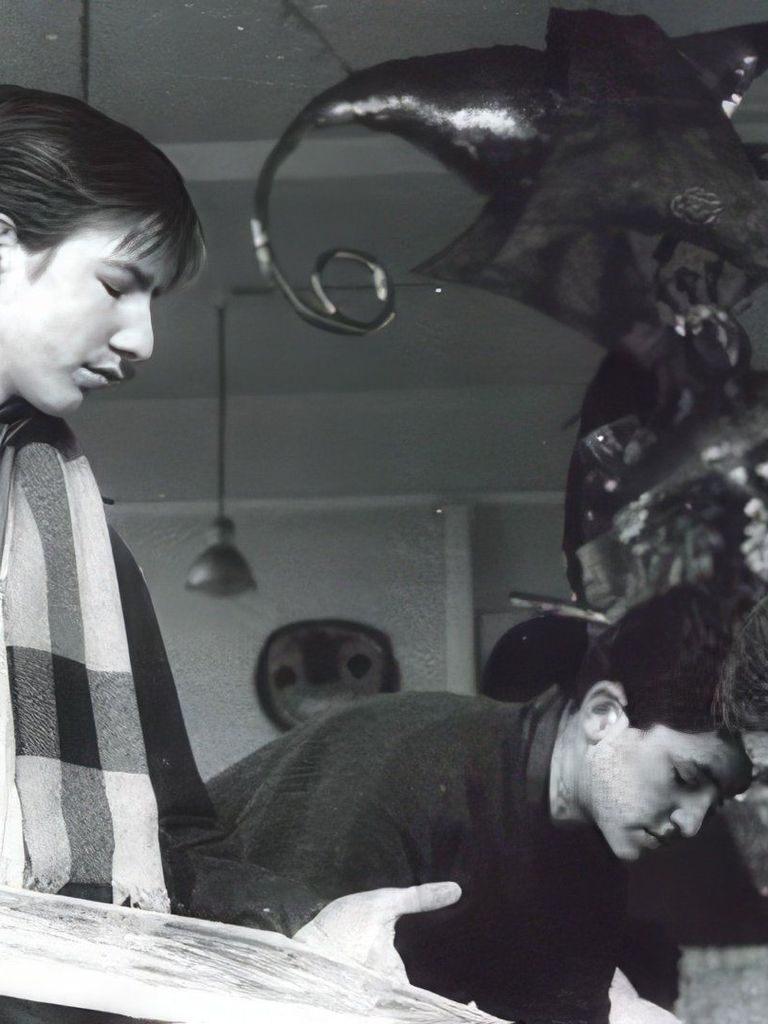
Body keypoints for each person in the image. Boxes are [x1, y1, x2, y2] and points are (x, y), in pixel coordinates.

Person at [0, 85, 459, 1023]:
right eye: (118, 284)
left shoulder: (79, 550)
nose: (142, 340)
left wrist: (302, 934)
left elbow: (174, 837)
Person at [206, 584, 753, 1024]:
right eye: (685, 776)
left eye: (717, 801)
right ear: (602, 714)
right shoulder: (403, 764)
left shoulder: (591, 848)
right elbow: (262, 986)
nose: (692, 822)